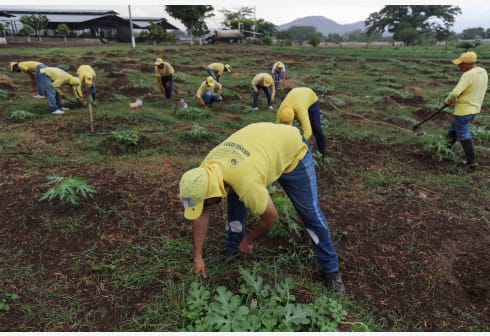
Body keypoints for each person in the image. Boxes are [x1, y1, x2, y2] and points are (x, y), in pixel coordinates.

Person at [179, 122, 345, 295]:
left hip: (293, 151)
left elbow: (271, 218)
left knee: (309, 213)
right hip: (259, 150)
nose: (204, 208)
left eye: (205, 203)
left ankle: (331, 270)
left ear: (211, 192)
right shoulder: (204, 172)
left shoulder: (246, 181)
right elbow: (201, 212)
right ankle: (233, 250)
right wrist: (197, 255)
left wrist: (249, 240)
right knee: (236, 196)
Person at [444, 51, 488, 170]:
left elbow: (454, 93)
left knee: (463, 132)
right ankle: (444, 149)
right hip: (474, 108)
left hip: (464, 109)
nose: (459, 66)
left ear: (468, 63)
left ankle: (471, 161)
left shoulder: (467, 75)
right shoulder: (483, 72)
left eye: (461, 64)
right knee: (454, 127)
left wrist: (448, 101)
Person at [277, 87, 326, 157]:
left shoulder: (300, 109)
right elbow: (277, 129)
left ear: (294, 114)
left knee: (316, 128)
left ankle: (322, 153)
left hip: (310, 98)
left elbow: (308, 132)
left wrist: (297, 145)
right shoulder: (280, 111)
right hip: (298, 96)